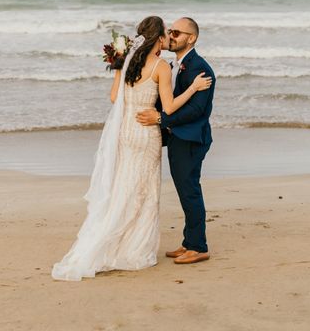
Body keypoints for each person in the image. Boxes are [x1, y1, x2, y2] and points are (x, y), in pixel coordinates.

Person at [51, 15, 211, 281]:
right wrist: (193, 88)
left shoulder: (125, 63)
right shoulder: (160, 66)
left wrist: (119, 72)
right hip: (146, 133)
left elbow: (115, 98)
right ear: (158, 37)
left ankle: (115, 241)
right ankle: (136, 248)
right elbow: (169, 108)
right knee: (144, 191)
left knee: (124, 187)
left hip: (126, 132)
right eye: (166, 33)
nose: (169, 37)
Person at [136, 17, 216, 265]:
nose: (171, 36)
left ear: (191, 38)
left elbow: (197, 110)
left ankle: (198, 246)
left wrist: (161, 118)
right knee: (184, 190)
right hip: (178, 137)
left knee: (190, 190)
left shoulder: (200, 69)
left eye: (177, 33)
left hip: (191, 139)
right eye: (170, 31)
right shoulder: (176, 64)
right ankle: (188, 242)